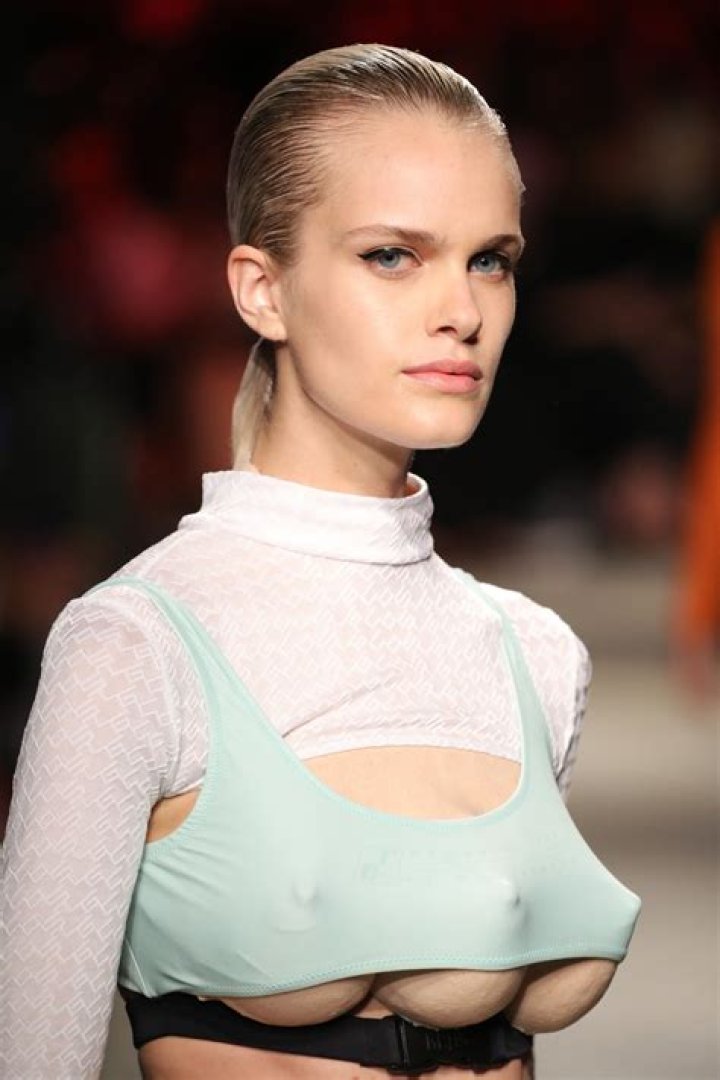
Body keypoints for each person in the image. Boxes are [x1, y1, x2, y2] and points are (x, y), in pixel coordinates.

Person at [0, 44, 641, 1080]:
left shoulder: (533, 653)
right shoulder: (139, 646)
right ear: (262, 290)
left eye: (490, 259)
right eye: (392, 255)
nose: (463, 311)